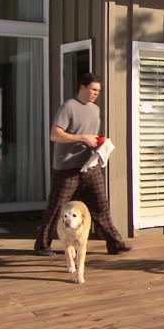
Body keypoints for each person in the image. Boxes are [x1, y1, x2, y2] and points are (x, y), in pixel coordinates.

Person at [33, 73, 131, 256]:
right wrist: (82, 138)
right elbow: (55, 135)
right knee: (57, 207)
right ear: (83, 87)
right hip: (67, 168)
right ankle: (42, 245)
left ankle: (115, 243)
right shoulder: (68, 107)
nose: (96, 94)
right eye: (93, 89)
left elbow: (90, 136)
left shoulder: (95, 109)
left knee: (101, 206)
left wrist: (100, 143)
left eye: (98, 91)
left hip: (89, 166)